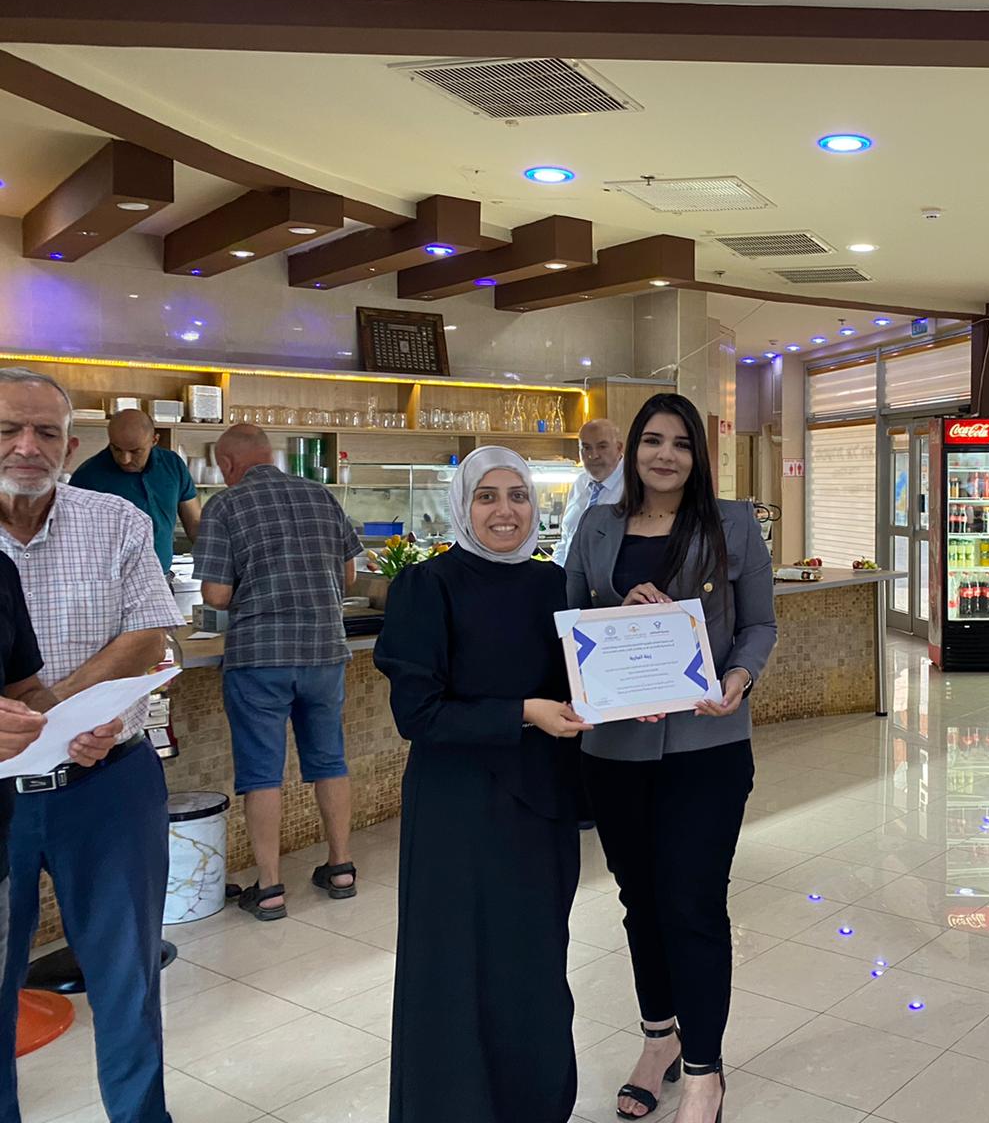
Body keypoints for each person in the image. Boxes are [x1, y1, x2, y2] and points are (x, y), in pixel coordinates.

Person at [565, 393, 777, 1123]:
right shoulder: (597, 526)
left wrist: (738, 677)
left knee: (693, 903)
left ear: (698, 455)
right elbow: (570, 626)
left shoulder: (733, 523)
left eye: (682, 443)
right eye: (653, 440)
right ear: (633, 451)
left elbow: (759, 624)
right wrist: (614, 622)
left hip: (707, 746)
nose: (666, 455)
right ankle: (659, 1041)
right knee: (640, 902)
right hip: (615, 752)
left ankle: (704, 1071)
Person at [374, 446, 588, 1123]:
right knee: (454, 966)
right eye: (487, 496)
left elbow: (586, 683)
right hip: (457, 810)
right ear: (462, 506)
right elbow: (418, 714)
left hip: (541, 806)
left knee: (535, 963)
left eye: (518, 495)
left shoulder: (555, 585)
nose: (505, 511)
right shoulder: (428, 586)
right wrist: (523, 712)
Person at [0, 368, 185, 1123]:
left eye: (46, 432)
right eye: (9, 429)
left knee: (127, 977)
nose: (27, 446)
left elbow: (149, 633)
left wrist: (58, 711)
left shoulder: (116, 521)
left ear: (71, 447)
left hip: (109, 784)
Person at [192, 424, 363, 921]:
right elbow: (350, 575)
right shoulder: (321, 495)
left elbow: (216, 595)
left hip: (259, 658)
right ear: (272, 455)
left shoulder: (224, 506)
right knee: (329, 760)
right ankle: (341, 867)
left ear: (226, 464)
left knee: (261, 773)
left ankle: (269, 889)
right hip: (323, 651)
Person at [67, 409, 200, 576]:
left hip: (162, 578)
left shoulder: (172, 464)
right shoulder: (88, 477)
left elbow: (194, 521)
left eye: (135, 451)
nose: (125, 459)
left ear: (154, 440)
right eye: (116, 449)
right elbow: (73, 541)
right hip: (112, 583)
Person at [552, 417, 624, 567]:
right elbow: (566, 540)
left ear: (619, 448)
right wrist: (556, 574)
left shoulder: (636, 486)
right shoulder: (580, 484)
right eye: (586, 448)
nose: (593, 455)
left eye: (602, 446)